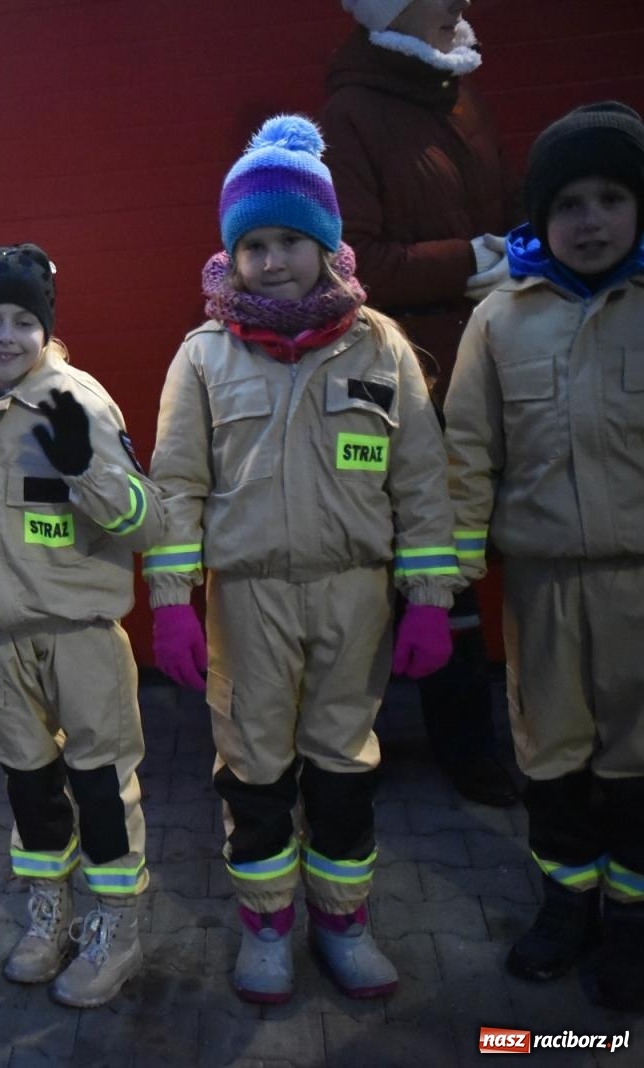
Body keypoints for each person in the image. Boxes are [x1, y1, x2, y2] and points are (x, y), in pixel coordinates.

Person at [146, 115, 462, 1004]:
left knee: (342, 767)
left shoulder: (382, 348)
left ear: (327, 246)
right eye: (253, 245)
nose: (273, 260)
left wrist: (431, 598)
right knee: (254, 770)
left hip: (354, 596)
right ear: (231, 256)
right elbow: (175, 486)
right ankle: (267, 929)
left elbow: (423, 482)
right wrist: (172, 599)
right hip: (246, 604)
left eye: (290, 240)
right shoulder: (204, 358)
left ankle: (344, 924)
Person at [444, 101, 644, 1012]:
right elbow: (467, 453)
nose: (591, 220)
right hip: (542, 586)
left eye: (611, 198)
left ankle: (634, 922)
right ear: (539, 217)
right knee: (554, 754)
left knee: (638, 760)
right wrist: (446, 575)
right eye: (569, 204)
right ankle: (567, 908)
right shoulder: (501, 323)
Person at [0, 242, 166, 1008]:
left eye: (22, 322)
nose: (5, 336)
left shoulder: (79, 402)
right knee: (31, 794)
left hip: (79, 636)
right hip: (4, 644)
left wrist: (87, 471)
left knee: (101, 790)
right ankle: (52, 917)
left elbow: (146, 521)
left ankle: (117, 931)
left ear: (45, 330)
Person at [324, 0, 521, 805]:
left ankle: (475, 729)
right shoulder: (352, 117)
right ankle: (380, 740)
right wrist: (473, 258)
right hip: (404, 375)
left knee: (464, 550)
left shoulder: (459, 94)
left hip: (484, 363)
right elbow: (355, 261)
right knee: (419, 557)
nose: (459, 5)